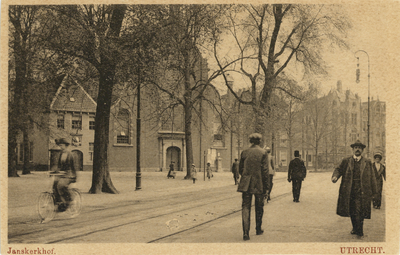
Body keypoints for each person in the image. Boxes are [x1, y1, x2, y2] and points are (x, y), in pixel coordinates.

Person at [331, 140, 377, 238]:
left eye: (359, 148)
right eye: (355, 148)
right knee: (352, 210)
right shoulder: (346, 161)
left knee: (360, 210)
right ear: (353, 149)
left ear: (362, 150)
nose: (357, 149)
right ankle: (355, 228)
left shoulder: (367, 162)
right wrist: (335, 177)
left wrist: (374, 192)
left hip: (362, 191)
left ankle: (360, 231)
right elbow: (338, 169)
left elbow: (372, 176)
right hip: (349, 191)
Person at [237, 133, 269, 241]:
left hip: (246, 184)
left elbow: (240, 169)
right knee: (259, 207)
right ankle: (258, 229)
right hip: (259, 183)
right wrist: (267, 187)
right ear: (259, 141)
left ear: (250, 141)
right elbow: (265, 171)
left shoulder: (244, 152)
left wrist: (246, 177)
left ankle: (245, 233)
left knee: (245, 207)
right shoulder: (263, 153)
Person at [53, 138, 78, 212]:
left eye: (62, 145)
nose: (60, 147)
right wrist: (55, 172)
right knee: (54, 185)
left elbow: (74, 166)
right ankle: (60, 203)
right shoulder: (61, 154)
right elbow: (59, 166)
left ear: (66, 146)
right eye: (60, 145)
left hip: (70, 174)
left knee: (61, 185)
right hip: (63, 174)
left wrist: (75, 176)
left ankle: (70, 199)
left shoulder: (70, 154)